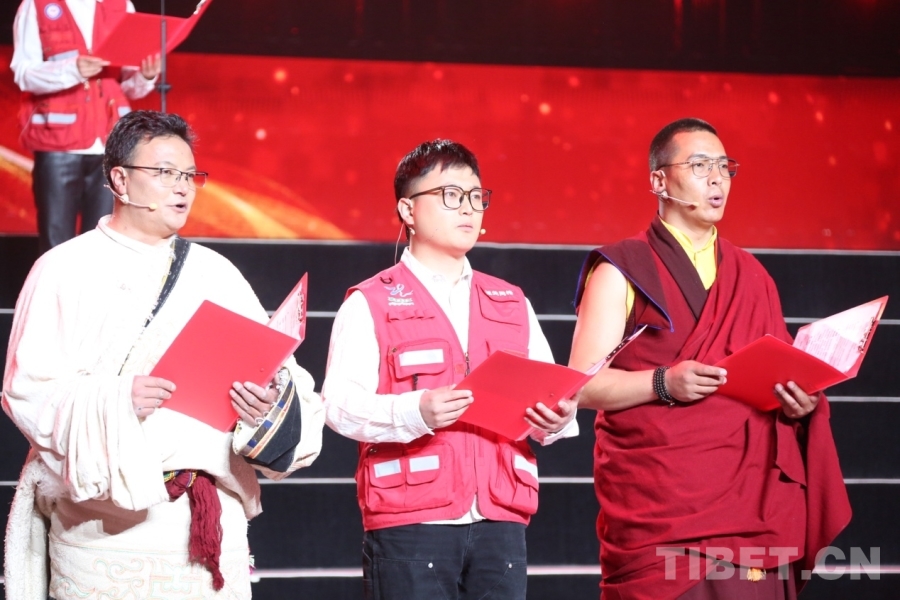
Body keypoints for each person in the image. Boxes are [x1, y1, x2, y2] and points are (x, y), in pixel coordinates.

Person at [2, 110, 325, 600]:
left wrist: (265, 404)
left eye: (190, 175)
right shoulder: (63, 269)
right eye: (165, 172)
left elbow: (278, 372)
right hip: (103, 530)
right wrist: (116, 401)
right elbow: (26, 391)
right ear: (120, 180)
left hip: (204, 520)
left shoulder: (217, 273)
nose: (183, 188)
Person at [568, 117, 851, 599]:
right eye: (700, 165)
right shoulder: (622, 269)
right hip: (663, 502)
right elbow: (580, 384)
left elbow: (779, 372)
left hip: (751, 500)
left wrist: (799, 402)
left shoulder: (752, 275)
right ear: (660, 180)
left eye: (724, 167)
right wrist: (663, 383)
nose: (717, 179)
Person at [322, 139, 579, 600]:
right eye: (450, 195)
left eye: (477, 197)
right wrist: (415, 411)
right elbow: (339, 406)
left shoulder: (511, 301)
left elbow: (550, 398)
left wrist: (558, 418)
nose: (468, 208)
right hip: (411, 522)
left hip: (501, 522)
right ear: (408, 210)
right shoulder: (370, 301)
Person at [12, 0, 162, 254]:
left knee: (105, 242)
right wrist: (72, 70)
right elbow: (23, 74)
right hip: (58, 142)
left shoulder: (121, 6)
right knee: (56, 242)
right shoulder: (37, 5)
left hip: (109, 143)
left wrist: (145, 76)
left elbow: (127, 87)